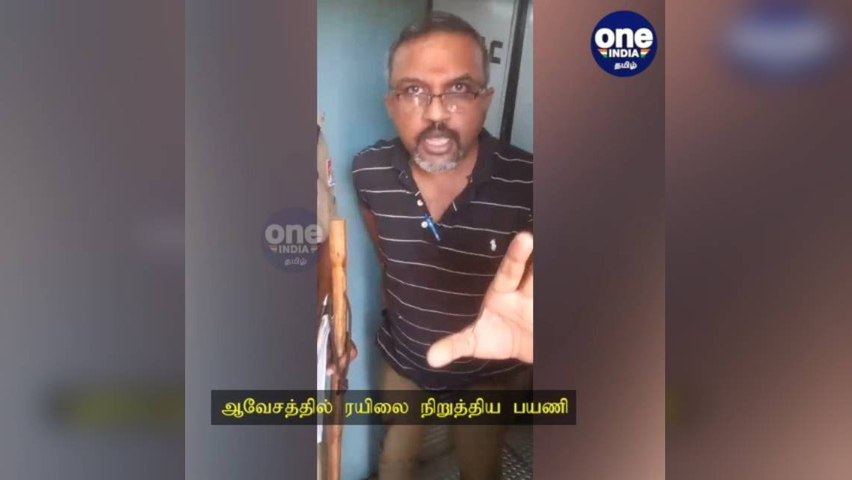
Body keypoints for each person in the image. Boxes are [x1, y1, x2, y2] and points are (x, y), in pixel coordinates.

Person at [351, 12, 533, 480]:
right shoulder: (368, 172)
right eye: (413, 90)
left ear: (486, 100)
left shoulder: (530, 181)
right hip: (405, 359)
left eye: (459, 89)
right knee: (394, 462)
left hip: (487, 374)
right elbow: (387, 254)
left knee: (480, 469)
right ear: (391, 103)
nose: (435, 113)